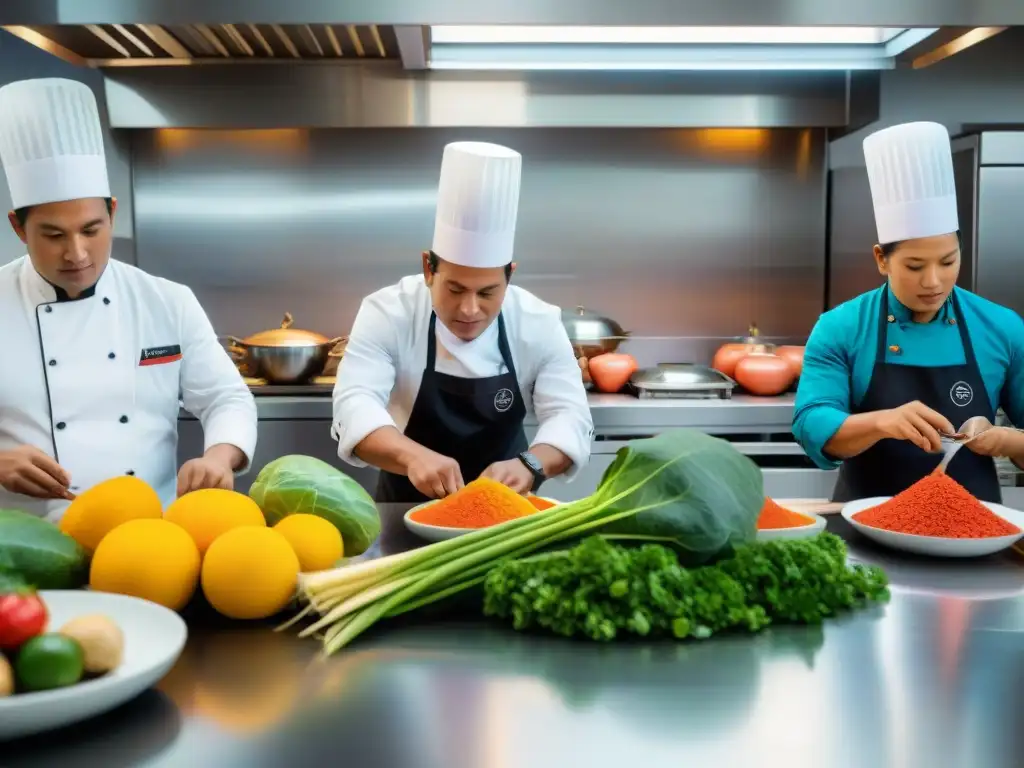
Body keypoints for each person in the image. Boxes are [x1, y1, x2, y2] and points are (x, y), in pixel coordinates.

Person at [0, 77, 258, 521]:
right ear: (19, 228)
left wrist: (219, 457)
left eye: (92, 230)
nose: (77, 253)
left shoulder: (166, 301)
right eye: (54, 235)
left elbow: (226, 398)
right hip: (27, 544)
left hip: (149, 540)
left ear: (112, 213)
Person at [332, 141, 594, 502]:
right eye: (455, 289)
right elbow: (354, 403)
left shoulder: (538, 322)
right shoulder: (387, 313)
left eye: (487, 293)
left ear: (510, 276)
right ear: (428, 268)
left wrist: (531, 465)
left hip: (506, 510)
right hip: (404, 504)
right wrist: (412, 456)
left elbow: (571, 416)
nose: (469, 309)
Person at [794, 121, 1024, 503]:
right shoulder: (841, 327)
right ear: (881, 259)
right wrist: (883, 421)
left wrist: (1005, 439)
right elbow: (812, 424)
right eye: (915, 267)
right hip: (865, 532)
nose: (934, 281)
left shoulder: (1002, 327)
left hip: (974, 535)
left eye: (948, 262)